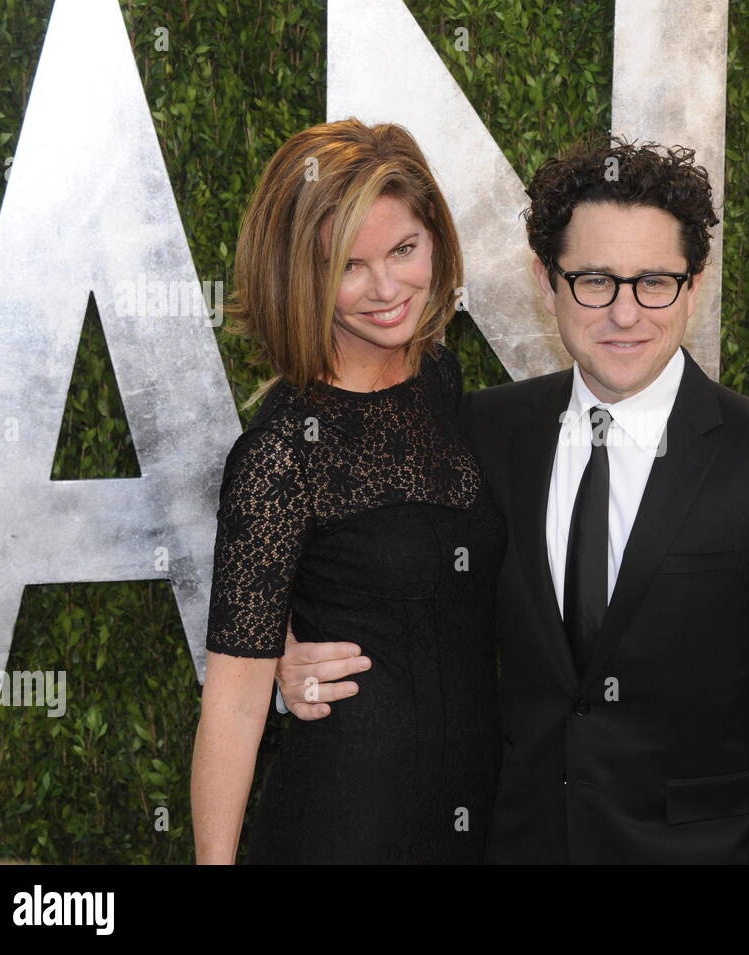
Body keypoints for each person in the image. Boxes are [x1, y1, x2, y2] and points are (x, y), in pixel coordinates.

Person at [276, 136, 749, 864]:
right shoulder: (481, 431)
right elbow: (351, 536)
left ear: (695, 284)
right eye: (594, 280)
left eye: (654, 281)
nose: (625, 314)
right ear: (546, 279)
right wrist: (281, 655)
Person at [190, 118, 504, 864]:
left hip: (473, 818)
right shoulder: (279, 455)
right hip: (346, 823)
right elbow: (232, 704)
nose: (388, 288)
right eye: (350, 266)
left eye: (404, 249)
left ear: (436, 237)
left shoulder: (440, 380)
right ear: (303, 274)